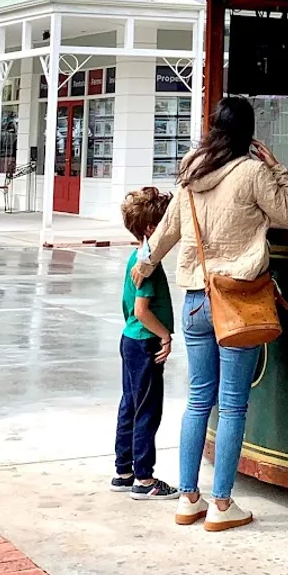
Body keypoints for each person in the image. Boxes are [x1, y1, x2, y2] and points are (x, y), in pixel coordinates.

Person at [133, 97, 288, 532]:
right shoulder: (252, 173)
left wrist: (144, 265)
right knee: (232, 406)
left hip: (194, 300)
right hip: (236, 300)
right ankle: (223, 503)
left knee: (198, 401)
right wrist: (277, 167)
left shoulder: (191, 175)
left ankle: (189, 498)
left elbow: (167, 230)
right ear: (250, 134)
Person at [113, 186, 177, 500]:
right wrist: (165, 335)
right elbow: (142, 309)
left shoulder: (136, 257)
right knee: (147, 410)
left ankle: (123, 470)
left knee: (130, 405)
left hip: (130, 340)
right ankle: (144, 478)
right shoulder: (146, 264)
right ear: (153, 229)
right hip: (144, 342)